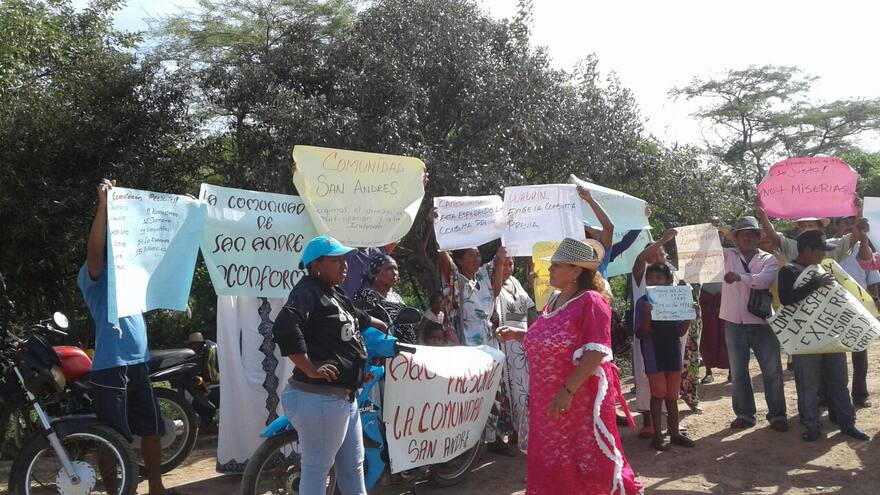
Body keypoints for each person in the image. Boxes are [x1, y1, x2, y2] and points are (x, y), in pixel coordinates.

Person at [497, 238, 642, 495]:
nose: (549, 270)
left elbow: (597, 351)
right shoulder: (554, 299)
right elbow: (546, 336)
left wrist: (568, 390)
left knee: (584, 455)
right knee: (554, 454)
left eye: (556, 266)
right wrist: (518, 334)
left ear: (576, 270)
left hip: (576, 400)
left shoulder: (592, 302)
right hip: (548, 398)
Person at [78, 179, 177, 495]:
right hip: (109, 367)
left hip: (138, 364)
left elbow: (167, 249)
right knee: (112, 436)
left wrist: (184, 212)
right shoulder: (95, 278)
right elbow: (94, 251)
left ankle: (157, 488)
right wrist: (104, 206)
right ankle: (115, 491)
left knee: (150, 429)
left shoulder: (134, 278)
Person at [272, 235, 388, 495]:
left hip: (344, 398)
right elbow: (285, 326)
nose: (344, 265)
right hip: (320, 399)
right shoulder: (307, 291)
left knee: (353, 467)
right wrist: (310, 368)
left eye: (345, 259)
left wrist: (375, 324)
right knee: (317, 470)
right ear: (316, 265)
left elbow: (354, 317)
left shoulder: (333, 292)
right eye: (336, 260)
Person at [778, 230, 871, 442]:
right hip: (805, 339)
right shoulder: (788, 271)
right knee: (809, 384)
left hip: (831, 336)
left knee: (839, 381)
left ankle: (848, 423)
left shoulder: (824, 268)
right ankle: (812, 425)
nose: (823, 255)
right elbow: (786, 299)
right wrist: (814, 284)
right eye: (820, 251)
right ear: (809, 251)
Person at [720, 216, 788, 431]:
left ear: (758, 237)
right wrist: (713, 229)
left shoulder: (769, 259)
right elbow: (703, 255)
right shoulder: (725, 255)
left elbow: (764, 281)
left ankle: (777, 416)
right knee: (739, 373)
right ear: (736, 238)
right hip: (733, 321)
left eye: (751, 234)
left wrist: (739, 277)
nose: (747, 237)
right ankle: (745, 415)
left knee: (772, 371)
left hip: (762, 322)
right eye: (743, 234)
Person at [636, 263, 697, 451]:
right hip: (654, 353)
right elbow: (641, 333)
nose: (654, 281)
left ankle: (674, 433)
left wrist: (689, 314)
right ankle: (657, 435)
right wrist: (647, 314)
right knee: (658, 394)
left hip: (672, 352)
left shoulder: (675, 301)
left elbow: (680, 331)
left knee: (672, 395)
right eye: (650, 278)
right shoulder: (643, 302)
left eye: (659, 278)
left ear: (669, 282)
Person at [630, 228, 679, 437]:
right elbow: (640, 259)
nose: (658, 258)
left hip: (671, 336)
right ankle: (649, 422)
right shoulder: (642, 275)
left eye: (661, 254)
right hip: (648, 336)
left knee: (669, 382)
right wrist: (662, 240)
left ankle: (672, 427)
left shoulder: (670, 274)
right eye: (653, 254)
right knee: (644, 376)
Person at [832, 216, 876, 408]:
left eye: (853, 222)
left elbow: (873, 278)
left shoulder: (864, 249)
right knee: (832, 355)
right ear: (837, 227)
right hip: (831, 308)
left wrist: (874, 302)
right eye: (845, 222)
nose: (850, 226)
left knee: (860, 353)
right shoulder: (827, 246)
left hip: (859, 307)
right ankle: (830, 397)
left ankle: (859, 394)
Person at [495, 256, 537, 451]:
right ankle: (516, 434)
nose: (509, 267)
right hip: (507, 345)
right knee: (512, 391)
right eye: (504, 263)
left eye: (511, 263)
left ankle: (527, 432)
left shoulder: (515, 283)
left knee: (526, 390)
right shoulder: (495, 288)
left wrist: (536, 333)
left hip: (524, 343)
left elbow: (528, 310)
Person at [353, 253, 418, 344]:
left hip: (406, 350)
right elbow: (365, 325)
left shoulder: (397, 297)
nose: (394, 272)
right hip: (383, 350)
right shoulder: (366, 295)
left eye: (396, 268)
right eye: (389, 269)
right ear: (376, 273)